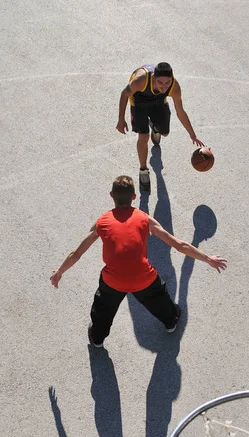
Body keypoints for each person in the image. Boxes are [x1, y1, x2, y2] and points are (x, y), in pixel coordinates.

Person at [50, 176, 227, 348]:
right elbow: (179, 245)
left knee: (103, 307)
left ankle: (97, 338)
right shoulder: (144, 219)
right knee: (159, 297)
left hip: (113, 281)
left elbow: (76, 254)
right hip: (143, 278)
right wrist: (208, 258)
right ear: (134, 197)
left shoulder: (102, 222)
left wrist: (59, 273)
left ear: (111, 195)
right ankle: (171, 321)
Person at [116, 62, 204, 192]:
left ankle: (155, 127)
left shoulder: (174, 87)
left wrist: (192, 134)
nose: (164, 87)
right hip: (138, 101)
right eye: (160, 83)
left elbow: (180, 111)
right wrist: (121, 119)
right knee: (143, 136)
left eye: (167, 83)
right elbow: (124, 94)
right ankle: (143, 170)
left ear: (172, 80)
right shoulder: (140, 81)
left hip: (158, 101)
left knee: (165, 133)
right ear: (153, 78)